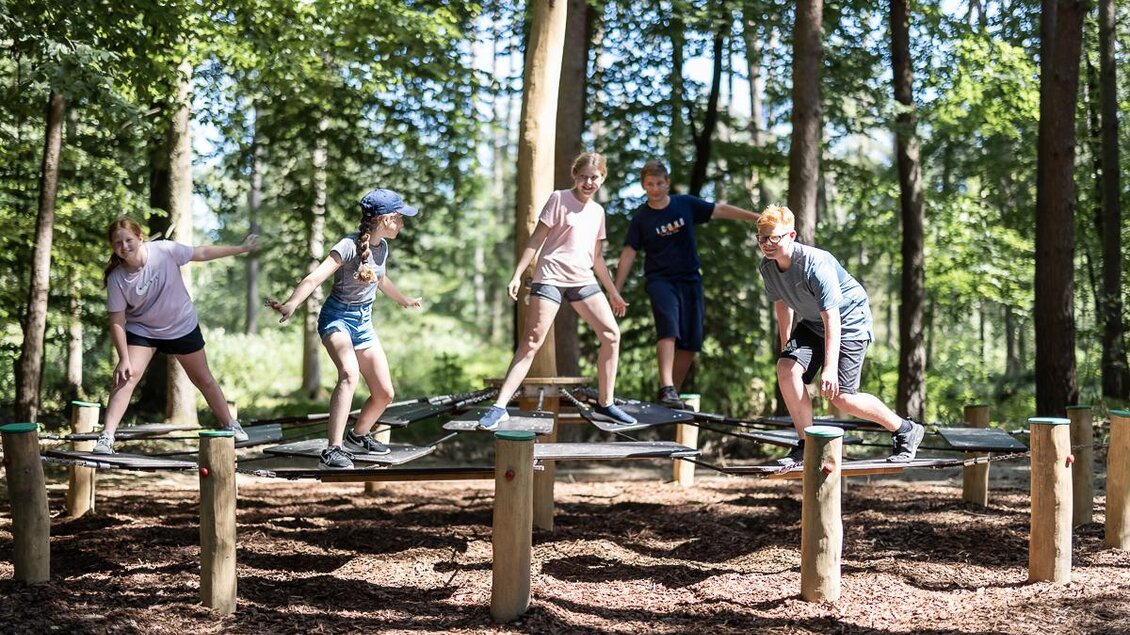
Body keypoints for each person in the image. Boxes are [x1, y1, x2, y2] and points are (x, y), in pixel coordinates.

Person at [477, 152, 637, 430]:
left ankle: (605, 402)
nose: (588, 182)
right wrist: (518, 275)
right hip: (550, 276)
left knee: (612, 334)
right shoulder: (559, 198)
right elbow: (537, 238)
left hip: (582, 279)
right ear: (575, 176)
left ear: (602, 178)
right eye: (583, 177)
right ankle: (499, 407)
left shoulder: (598, 212)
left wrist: (613, 292)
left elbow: (597, 258)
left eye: (594, 177)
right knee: (532, 341)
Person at [755, 204, 925, 466]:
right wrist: (786, 349)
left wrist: (830, 369)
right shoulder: (767, 268)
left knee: (841, 397)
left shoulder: (815, 263)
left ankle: (905, 429)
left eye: (773, 237)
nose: (767, 243)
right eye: (762, 238)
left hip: (848, 321)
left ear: (791, 235)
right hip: (813, 322)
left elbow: (832, 318)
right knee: (786, 369)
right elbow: (782, 304)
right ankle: (805, 446)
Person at [267, 189, 422, 470]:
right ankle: (333, 449)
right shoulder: (348, 246)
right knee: (349, 374)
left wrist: (404, 300)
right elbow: (314, 278)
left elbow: (381, 280)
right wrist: (291, 304)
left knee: (385, 393)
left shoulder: (382, 248)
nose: (402, 224)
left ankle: (358, 435)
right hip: (337, 319)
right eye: (400, 219)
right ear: (386, 219)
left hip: (364, 323)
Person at [94, 219, 257, 454]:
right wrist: (124, 358)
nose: (124, 246)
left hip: (181, 325)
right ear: (112, 246)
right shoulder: (117, 278)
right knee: (126, 377)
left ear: (140, 238)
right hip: (144, 330)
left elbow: (201, 252)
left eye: (129, 240)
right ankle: (107, 437)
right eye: (118, 242)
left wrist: (240, 248)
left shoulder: (164, 250)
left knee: (203, 379)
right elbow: (117, 321)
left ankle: (231, 424)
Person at [613, 160, 760, 409]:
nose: (655, 188)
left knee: (692, 341)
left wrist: (756, 218)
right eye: (650, 184)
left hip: (690, 279)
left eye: (660, 183)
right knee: (668, 329)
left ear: (667, 183)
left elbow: (720, 210)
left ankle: (672, 396)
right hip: (660, 280)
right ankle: (666, 386)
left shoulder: (685, 204)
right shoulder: (642, 218)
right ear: (643, 185)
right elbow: (629, 253)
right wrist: (616, 290)